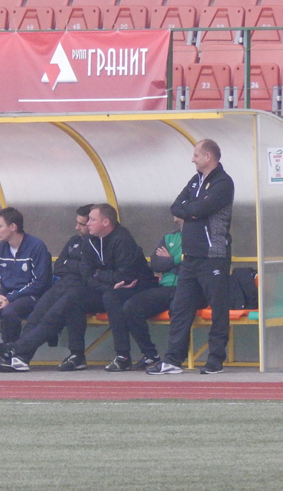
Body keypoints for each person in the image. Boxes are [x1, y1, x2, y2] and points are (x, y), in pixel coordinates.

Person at [147, 139, 234, 375]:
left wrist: (193, 210)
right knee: (180, 306)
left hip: (213, 256)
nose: (192, 159)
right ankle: (173, 360)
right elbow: (176, 206)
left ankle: (215, 360)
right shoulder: (195, 181)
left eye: (196, 155)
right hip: (191, 257)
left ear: (208, 156)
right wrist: (192, 210)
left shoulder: (223, 182)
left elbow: (201, 209)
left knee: (218, 308)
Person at [0, 205, 93, 372]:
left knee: (52, 315)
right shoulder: (74, 241)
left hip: (84, 290)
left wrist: (72, 265)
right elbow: (59, 267)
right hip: (64, 286)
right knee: (36, 315)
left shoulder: (102, 242)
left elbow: (87, 270)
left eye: (82, 224)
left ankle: (16, 350)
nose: (77, 227)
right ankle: (20, 357)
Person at [105, 216, 189, 372]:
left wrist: (171, 260)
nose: (175, 214)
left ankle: (175, 359)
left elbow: (192, 263)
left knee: (178, 309)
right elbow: (156, 264)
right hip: (164, 287)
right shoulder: (169, 237)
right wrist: (178, 260)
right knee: (131, 307)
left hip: (189, 288)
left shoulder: (201, 238)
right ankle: (150, 354)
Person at [75, 203, 160, 355]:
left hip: (138, 287)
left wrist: (98, 273)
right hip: (109, 287)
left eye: (92, 220)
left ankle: (123, 355)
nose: (88, 224)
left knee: (113, 298)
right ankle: (76, 354)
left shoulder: (122, 239)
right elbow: (86, 275)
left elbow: (124, 277)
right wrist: (105, 283)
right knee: (74, 297)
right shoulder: (89, 240)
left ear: (105, 222)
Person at [0, 207, 52, 345]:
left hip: (32, 296)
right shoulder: (0, 248)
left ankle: (11, 351)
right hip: (6, 296)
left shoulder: (36, 246)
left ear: (13, 227)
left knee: (9, 312)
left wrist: (10, 298)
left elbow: (40, 282)